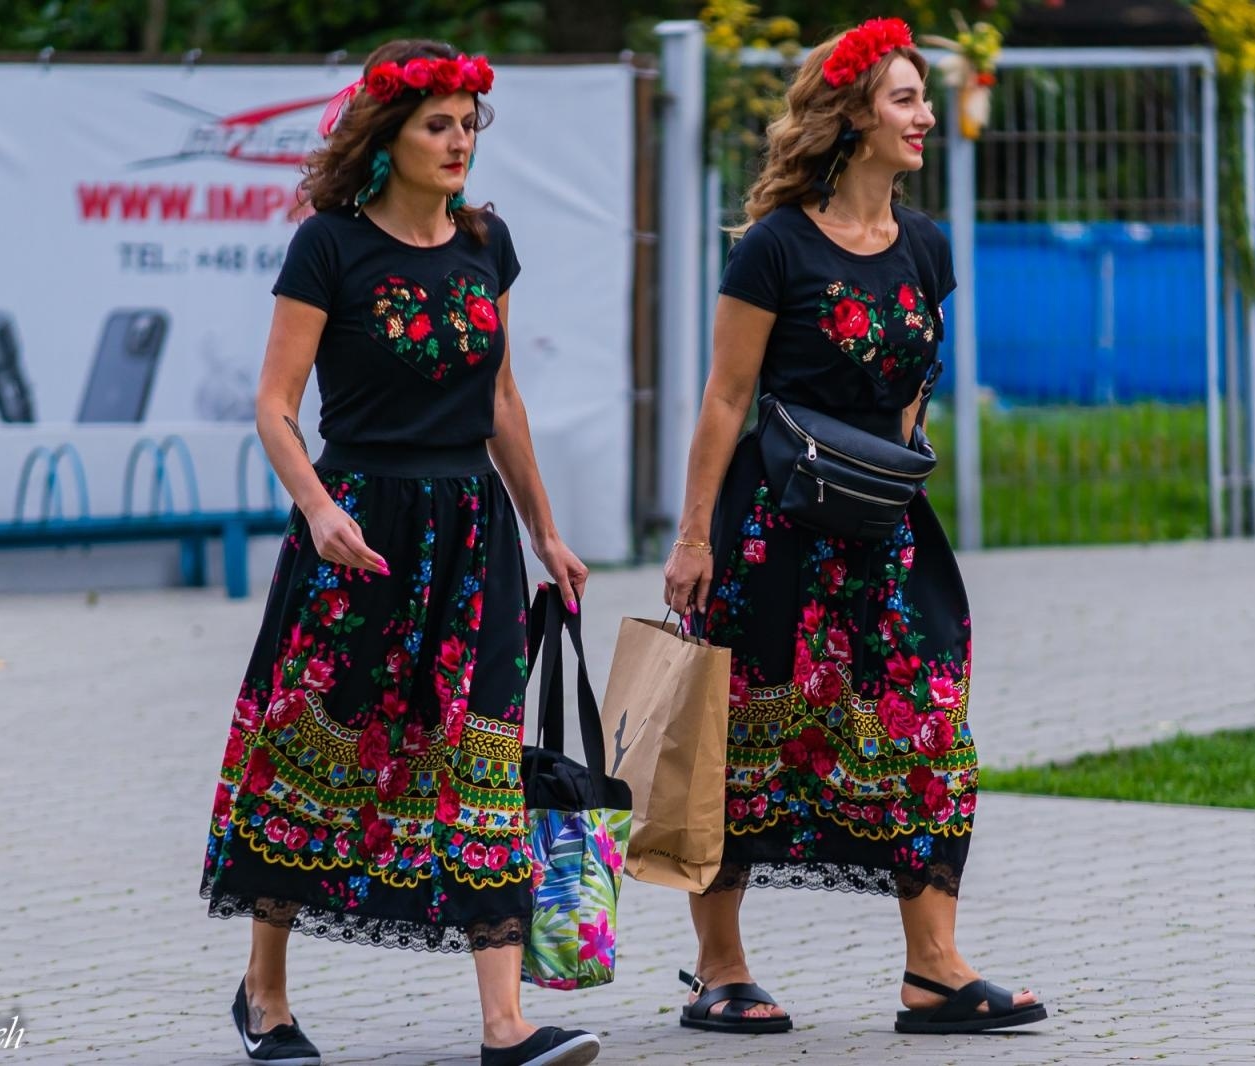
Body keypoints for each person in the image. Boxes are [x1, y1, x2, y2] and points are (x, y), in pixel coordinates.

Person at [200, 39, 600, 1066]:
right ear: (386, 136)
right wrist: (319, 508)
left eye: (469, 123)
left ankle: (506, 1022)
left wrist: (547, 529)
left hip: (474, 531)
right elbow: (274, 407)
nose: (459, 139)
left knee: (484, 757)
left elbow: (501, 399)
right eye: (438, 123)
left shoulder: (485, 244)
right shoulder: (328, 247)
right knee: (314, 747)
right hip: (361, 529)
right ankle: (266, 992)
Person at [662, 17, 1048, 1036]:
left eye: (924, 99)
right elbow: (722, 399)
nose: (925, 116)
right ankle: (719, 966)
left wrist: (890, 479)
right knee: (744, 739)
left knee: (926, 726)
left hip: (886, 531)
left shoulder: (926, 245)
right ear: (852, 117)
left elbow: (913, 395)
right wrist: (693, 538)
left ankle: (932, 971)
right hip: (773, 532)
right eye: (905, 99)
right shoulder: (773, 247)